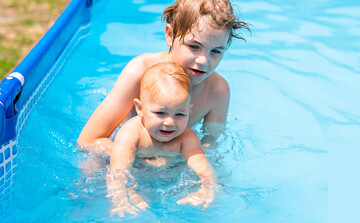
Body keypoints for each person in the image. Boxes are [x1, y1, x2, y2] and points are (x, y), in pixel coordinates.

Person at [77, 0, 250, 156]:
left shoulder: (217, 91)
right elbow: (89, 139)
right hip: (125, 151)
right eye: (194, 46)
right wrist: (140, 157)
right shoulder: (140, 71)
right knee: (91, 165)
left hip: (174, 157)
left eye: (216, 51)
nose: (203, 60)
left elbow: (211, 148)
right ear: (170, 35)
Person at [106, 62, 217, 217]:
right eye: (160, 113)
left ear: (188, 110)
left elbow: (201, 166)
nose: (170, 122)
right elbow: (118, 172)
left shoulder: (186, 138)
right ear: (140, 108)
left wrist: (207, 188)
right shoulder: (130, 135)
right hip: (138, 175)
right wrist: (121, 197)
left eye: (179, 114)